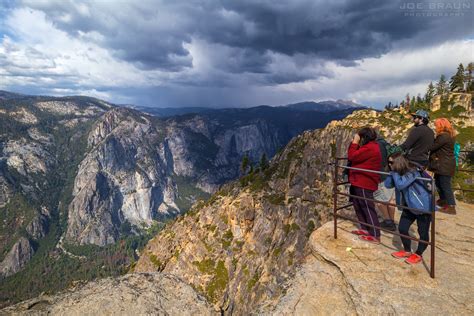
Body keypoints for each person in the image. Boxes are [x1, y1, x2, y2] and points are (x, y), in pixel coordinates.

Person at [385, 152, 433, 265]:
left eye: (391, 162)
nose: (389, 164)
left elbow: (401, 184)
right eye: (388, 162)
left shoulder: (413, 171)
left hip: (423, 206)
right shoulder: (398, 173)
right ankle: (407, 250)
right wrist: (390, 173)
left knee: (423, 232)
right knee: (402, 228)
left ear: (398, 162)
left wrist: (394, 173)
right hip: (409, 205)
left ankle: (418, 254)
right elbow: (388, 185)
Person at [347, 127, 382, 243]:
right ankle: (365, 228)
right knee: (358, 204)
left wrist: (355, 142)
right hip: (359, 180)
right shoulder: (371, 147)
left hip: (364, 181)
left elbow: (352, 156)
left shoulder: (370, 148)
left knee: (367, 206)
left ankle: (375, 234)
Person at [429, 118, 457, 215]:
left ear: (441, 125)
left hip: (444, 164)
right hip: (445, 164)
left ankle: (451, 207)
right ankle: (443, 201)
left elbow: (432, 147)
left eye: (436, 125)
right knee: (438, 182)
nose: (435, 127)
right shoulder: (448, 135)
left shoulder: (443, 136)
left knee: (445, 185)